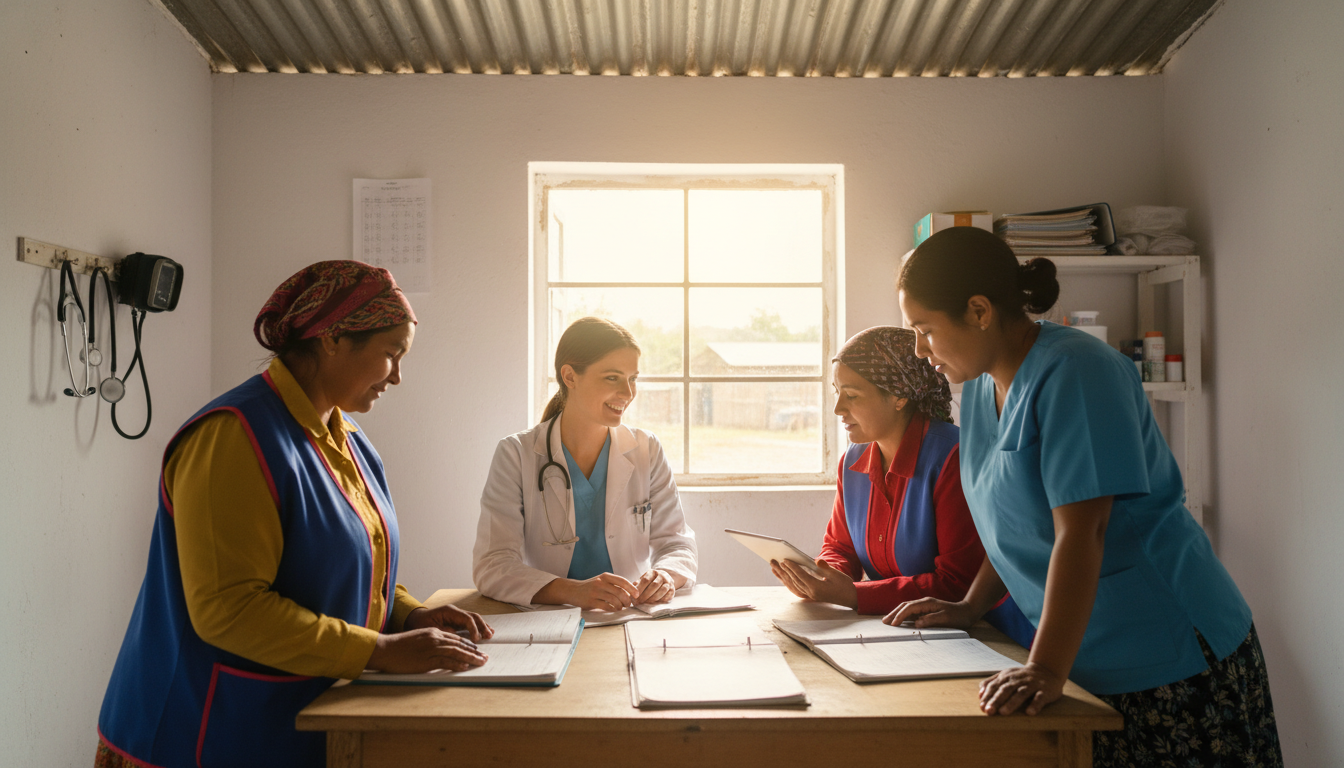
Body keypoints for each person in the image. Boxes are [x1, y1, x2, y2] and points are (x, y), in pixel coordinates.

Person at [889, 227, 1282, 767]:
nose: (919, 350)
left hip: (1169, 646)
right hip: (1087, 652)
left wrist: (1046, 668)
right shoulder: (981, 388)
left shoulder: (1078, 370)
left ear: (979, 310)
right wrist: (968, 608)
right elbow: (1014, 528)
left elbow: (1083, 529)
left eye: (925, 329)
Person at [96, 261, 493, 768]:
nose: (397, 377)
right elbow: (228, 609)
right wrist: (381, 651)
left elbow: (342, 562)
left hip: (291, 719)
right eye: (390, 355)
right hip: (204, 730)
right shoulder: (234, 436)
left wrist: (407, 612)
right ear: (331, 339)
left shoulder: (344, 437)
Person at [770, 326, 1034, 649]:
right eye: (836, 392)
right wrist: (822, 578)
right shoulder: (851, 462)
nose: (838, 408)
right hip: (897, 634)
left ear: (898, 396)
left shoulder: (953, 458)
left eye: (851, 395)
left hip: (980, 636)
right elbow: (840, 549)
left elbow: (957, 583)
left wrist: (852, 594)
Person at [473, 317, 697, 610]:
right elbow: (492, 564)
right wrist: (573, 592)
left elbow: (677, 543)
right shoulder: (516, 453)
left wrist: (665, 576)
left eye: (632, 379)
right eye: (612, 378)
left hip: (629, 616)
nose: (628, 394)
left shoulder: (646, 449)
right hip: (548, 619)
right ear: (570, 376)